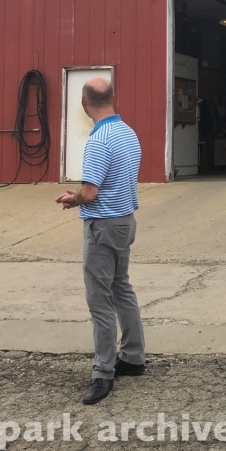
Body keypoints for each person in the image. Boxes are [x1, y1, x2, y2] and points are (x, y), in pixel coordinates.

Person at [55, 77, 145, 404]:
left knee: (100, 300)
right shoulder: (128, 133)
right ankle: (133, 356)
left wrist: (71, 197)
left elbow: (90, 192)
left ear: (83, 102)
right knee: (121, 287)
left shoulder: (98, 140)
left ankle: (103, 371)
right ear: (112, 97)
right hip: (125, 222)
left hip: (103, 227)